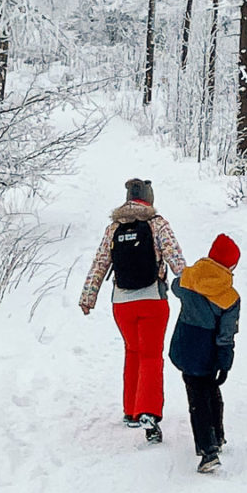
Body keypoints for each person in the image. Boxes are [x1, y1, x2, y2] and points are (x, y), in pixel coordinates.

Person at [79, 177, 185, 442]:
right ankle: (147, 412)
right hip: (152, 300)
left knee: (133, 351)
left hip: (121, 303)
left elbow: (100, 263)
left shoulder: (114, 227)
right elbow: (175, 258)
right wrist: (192, 289)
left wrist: (88, 297)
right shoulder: (157, 224)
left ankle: (130, 410)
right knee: (150, 355)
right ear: (149, 199)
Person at [169, 233, 241, 474]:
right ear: (231, 265)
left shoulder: (190, 277)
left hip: (187, 346)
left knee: (196, 397)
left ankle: (207, 449)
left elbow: (174, 287)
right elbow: (226, 335)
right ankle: (215, 440)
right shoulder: (230, 297)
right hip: (210, 351)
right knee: (211, 390)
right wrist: (225, 362)